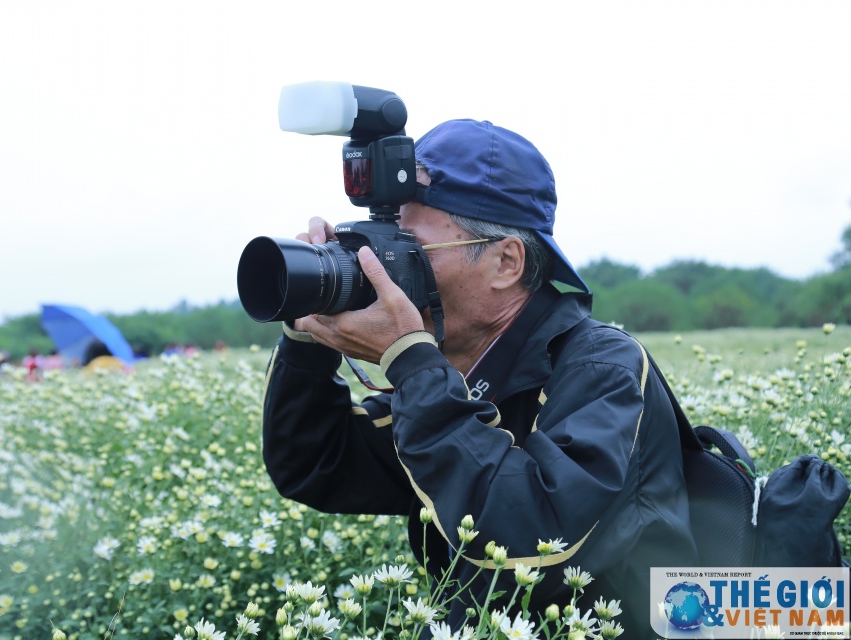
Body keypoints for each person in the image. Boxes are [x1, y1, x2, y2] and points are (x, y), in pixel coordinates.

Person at [260, 119, 695, 637]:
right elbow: (315, 464)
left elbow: (539, 545)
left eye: (408, 250)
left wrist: (412, 365)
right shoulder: (458, 374)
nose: (384, 267)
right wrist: (307, 336)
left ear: (506, 262)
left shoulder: (601, 368)